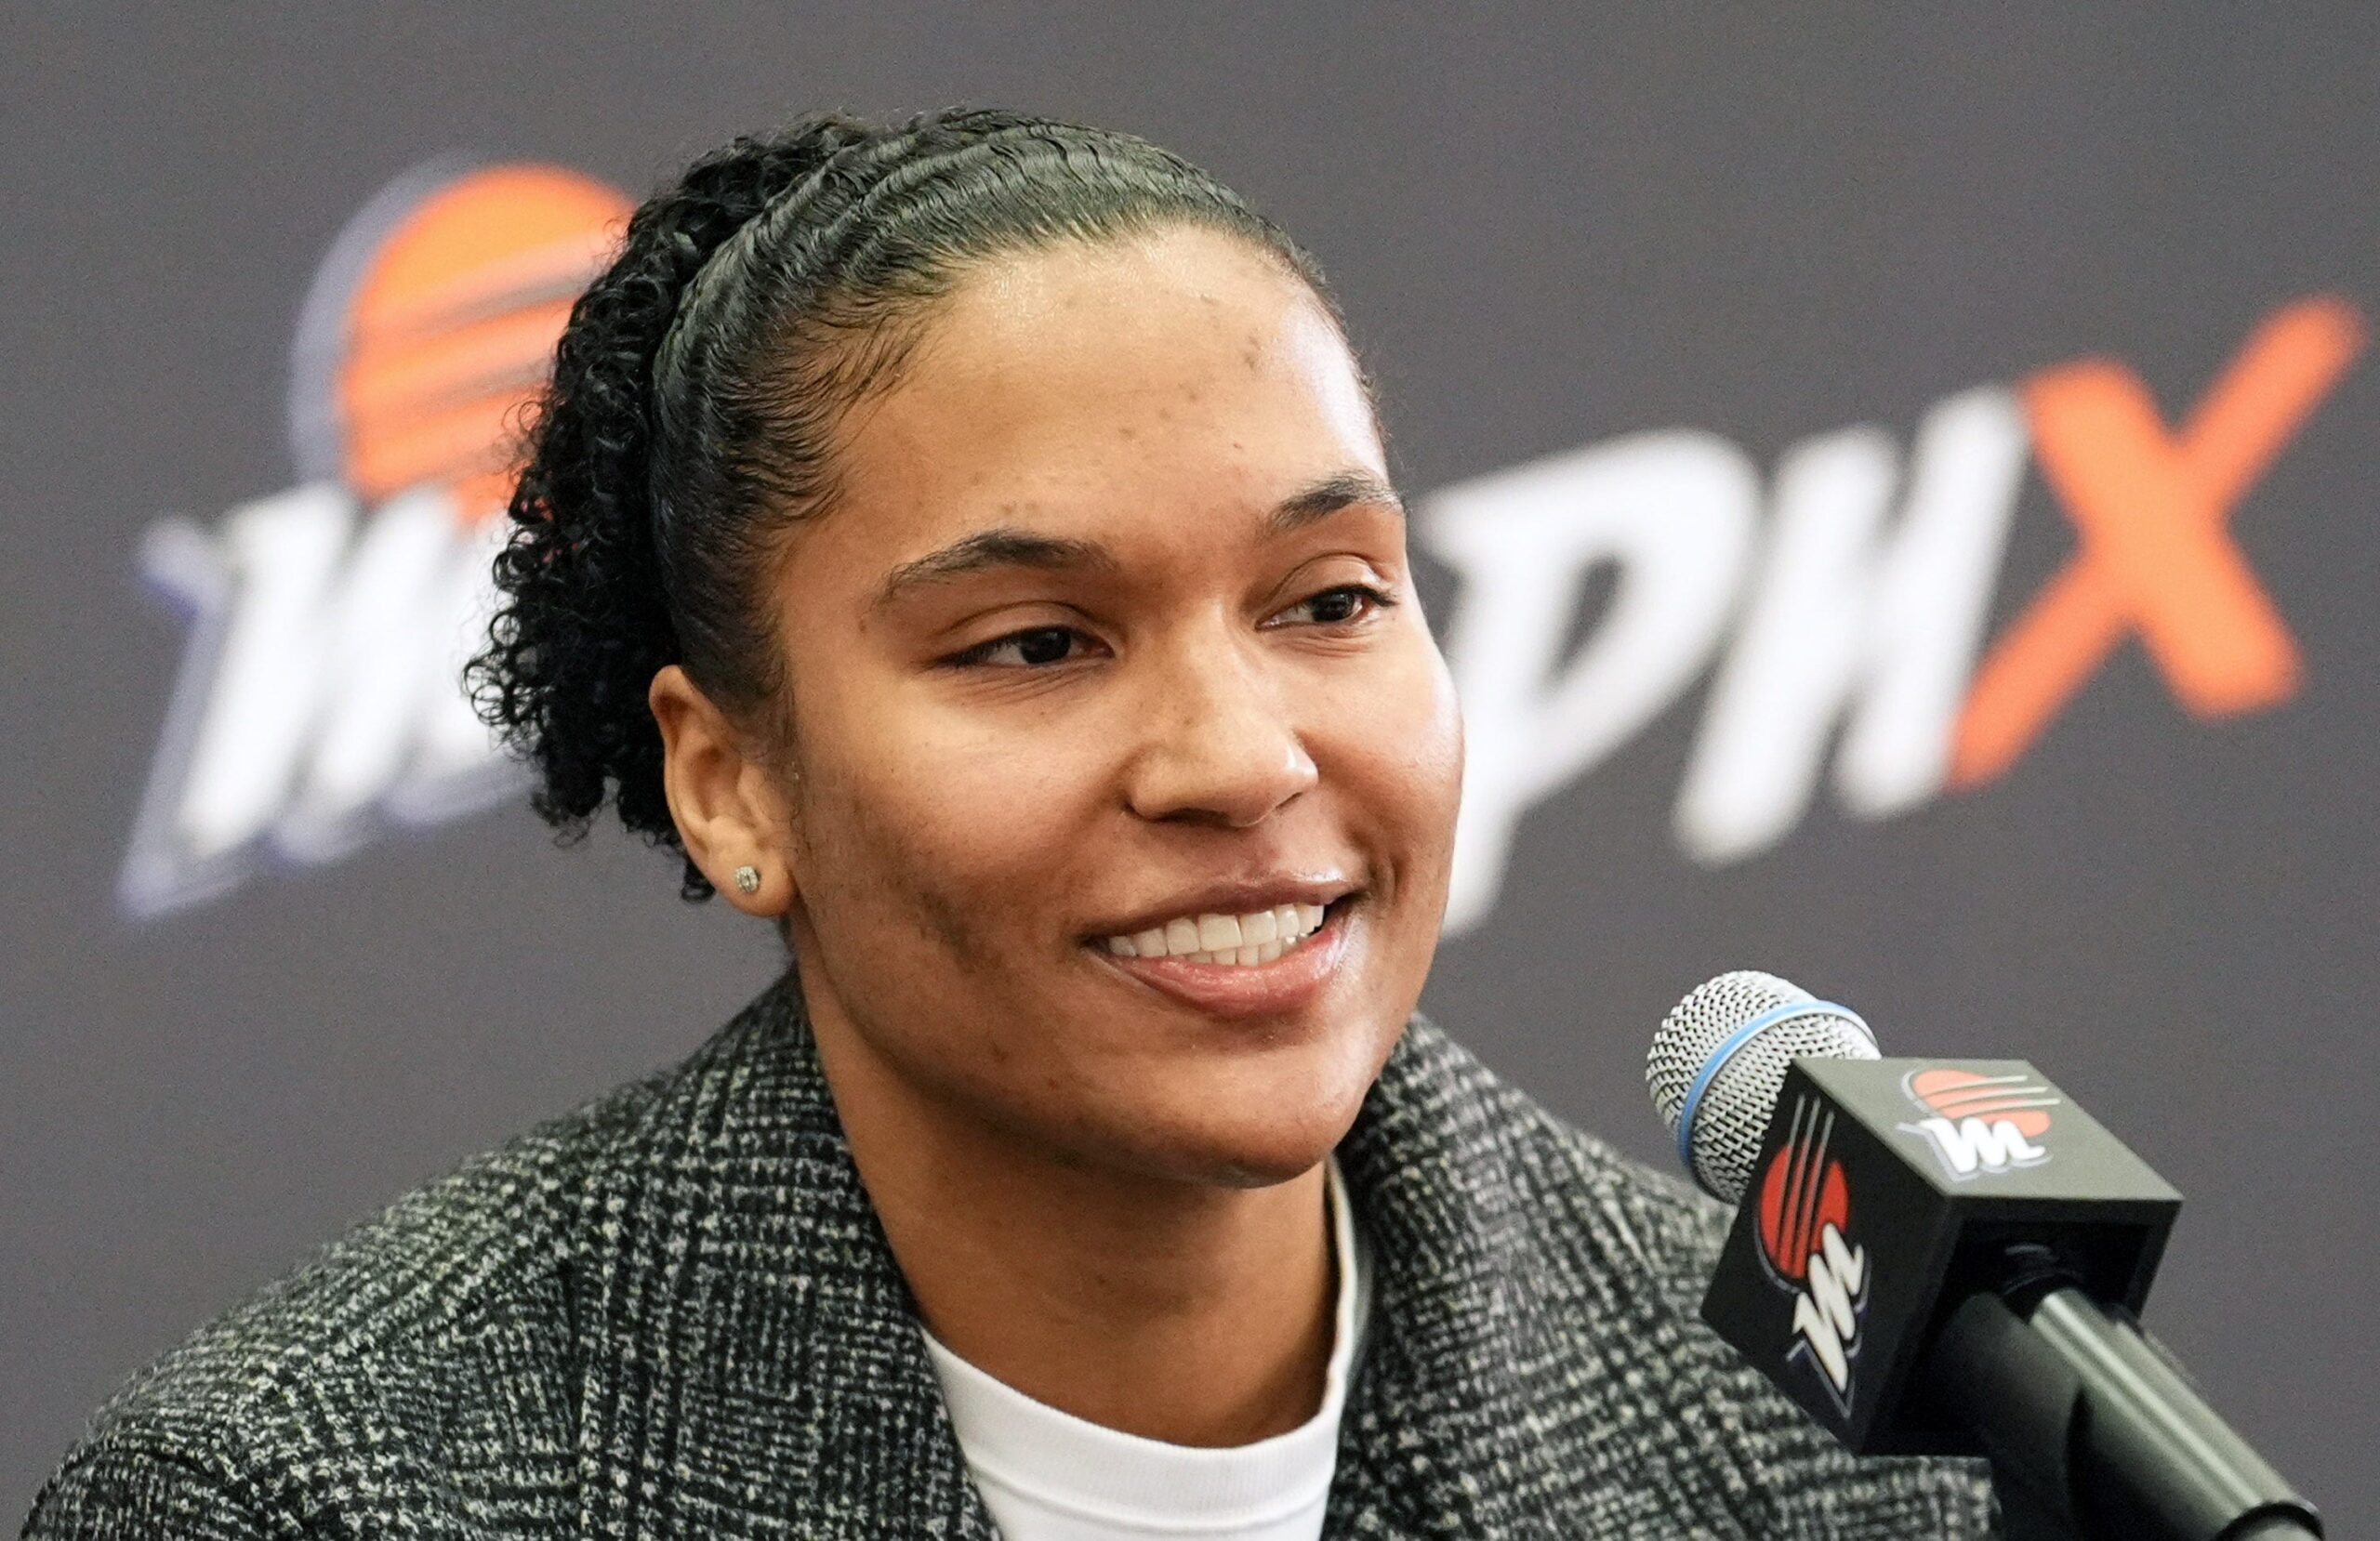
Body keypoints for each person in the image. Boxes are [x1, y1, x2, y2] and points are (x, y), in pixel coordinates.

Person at [23, 109, 1997, 1539]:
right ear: (732, 783)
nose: (1235, 758)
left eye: (1327, 600)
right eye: (1038, 641)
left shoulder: (1832, 1451)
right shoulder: (310, 1496)